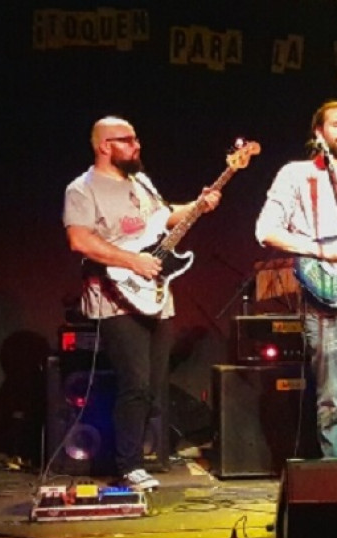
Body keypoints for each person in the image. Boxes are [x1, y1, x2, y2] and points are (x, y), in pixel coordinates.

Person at [63, 116, 221, 491]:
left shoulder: (142, 182)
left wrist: (198, 205)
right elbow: (81, 241)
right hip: (114, 298)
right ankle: (128, 465)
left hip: (154, 295)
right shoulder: (82, 189)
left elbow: (165, 220)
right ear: (104, 146)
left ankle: (138, 457)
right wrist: (132, 261)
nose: (137, 145)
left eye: (137, 138)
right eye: (127, 140)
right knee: (133, 382)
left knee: (152, 385)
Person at [255, 100, 337, 459]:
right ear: (319, 132)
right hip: (323, 294)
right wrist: (320, 249)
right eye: (336, 124)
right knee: (330, 399)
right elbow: (265, 230)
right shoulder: (294, 175)